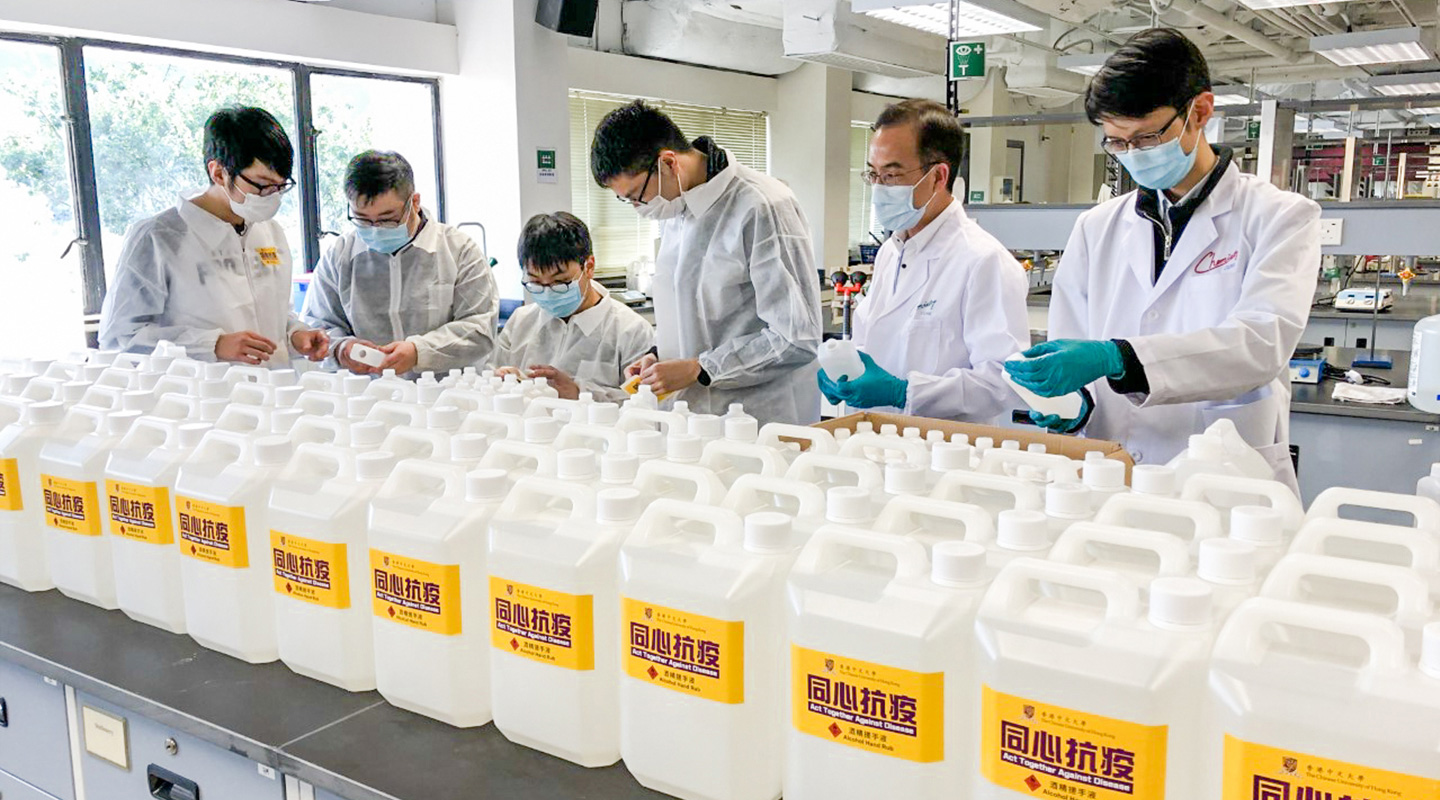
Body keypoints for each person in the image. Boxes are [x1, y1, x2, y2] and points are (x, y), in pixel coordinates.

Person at [1004, 29, 1320, 487]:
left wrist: (1120, 358)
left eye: (1147, 137)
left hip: (1224, 475)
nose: (1133, 154)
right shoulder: (1096, 228)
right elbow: (1073, 343)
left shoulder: (1279, 216)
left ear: (1200, 111)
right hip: (1112, 468)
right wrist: (1073, 406)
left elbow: (1261, 344)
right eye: (1117, 142)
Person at [590, 100, 823, 426]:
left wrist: (701, 369)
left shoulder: (762, 206)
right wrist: (658, 357)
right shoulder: (675, 207)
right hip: (691, 419)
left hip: (759, 418)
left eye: (635, 196)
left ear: (668, 163)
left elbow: (795, 338)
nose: (637, 207)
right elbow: (697, 316)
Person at [818, 99, 1029, 423]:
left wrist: (904, 392)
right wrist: (842, 370)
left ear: (938, 176)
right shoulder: (892, 251)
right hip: (875, 441)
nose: (878, 189)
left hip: (945, 451)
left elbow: (1003, 381)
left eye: (891, 175)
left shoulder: (983, 261)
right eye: (872, 175)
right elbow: (872, 344)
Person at [100, 106, 328, 365]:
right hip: (200, 396)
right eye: (262, 185)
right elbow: (121, 339)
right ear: (219, 173)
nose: (272, 197)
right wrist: (212, 345)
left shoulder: (270, 232)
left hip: (272, 393)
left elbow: (274, 315)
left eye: (281, 186)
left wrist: (296, 334)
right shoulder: (159, 238)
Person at [302, 150, 498, 375]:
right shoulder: (340, 256)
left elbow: (480, 329)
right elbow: (316, 324)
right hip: (368, 396)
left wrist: (420, 351)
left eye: (387, 219)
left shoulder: (458, 251)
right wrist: (341, 349)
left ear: (414, 202)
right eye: (363, 220)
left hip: (447, 395)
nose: (375, 229)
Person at [491, 212, 654, 402]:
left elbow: (647, 406)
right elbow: (492, 373)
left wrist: (579, 394)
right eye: (535, 283)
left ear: (589, 267)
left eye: (560, 282)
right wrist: (504, 381)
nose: (548, 292)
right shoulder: (521, 321)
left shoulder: (631, 331)